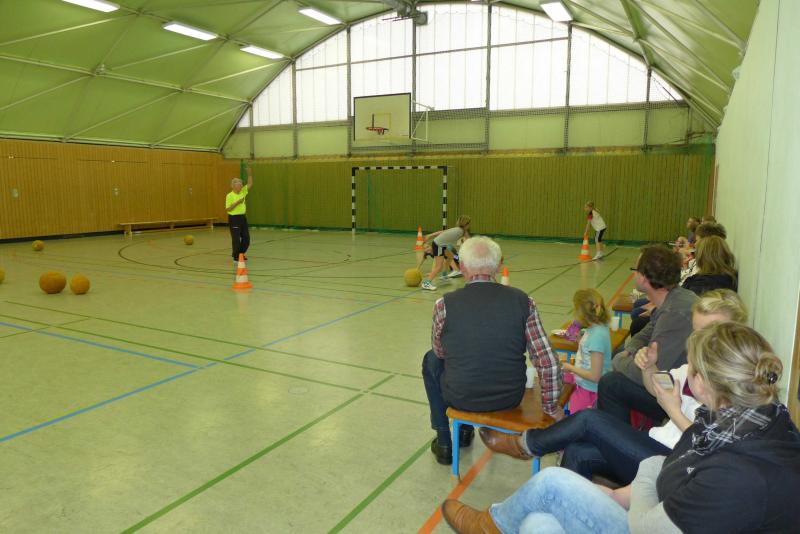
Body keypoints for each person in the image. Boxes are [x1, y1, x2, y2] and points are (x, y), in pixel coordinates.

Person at [442, 321, 800, 534]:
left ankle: (490, 525)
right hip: (663, 511)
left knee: (551, 484)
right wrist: (623, 493)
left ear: (703, 383)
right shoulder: (745, 420)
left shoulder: (739, 473)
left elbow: (646, 524)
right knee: (537, 524)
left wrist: (636, 484)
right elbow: (674, 465)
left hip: (652, 524)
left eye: (691, 367)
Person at [477, 290, 747, 486]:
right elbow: (659, 389)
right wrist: (650, 367)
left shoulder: (736, 384)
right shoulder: (694, 365)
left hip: (673, 464)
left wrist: (674, 411)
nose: (697, 339)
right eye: (696, 330)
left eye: (708, 331)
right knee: (577, 452)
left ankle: (526, 444)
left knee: (589, 420)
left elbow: (712, 449)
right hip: (659, 444)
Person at [421, 236, 563, 465]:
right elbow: (548, 363)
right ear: (498, 266)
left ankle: (445, 440)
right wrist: (550, 407)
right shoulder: (524, 301)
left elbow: (440, 352)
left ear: (463, 267)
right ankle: (463, 431)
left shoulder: (443, 305)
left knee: (431, 360)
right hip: (509, 397)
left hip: (460, 396)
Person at [597, 246, 697, 425]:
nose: (634, 274)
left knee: (611, 383)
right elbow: (647, 331)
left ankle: (617, 438)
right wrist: (631, 350)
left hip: (682, 399)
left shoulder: (675, 314)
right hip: (675, 379)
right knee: (622, 356)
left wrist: (619, 360)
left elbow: (652, 376)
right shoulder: (676, 297)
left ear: (644, 278)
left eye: (636, 270)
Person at [561, 289, 612, 413]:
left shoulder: (597, 336)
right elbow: (592, 352)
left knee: (578, 419)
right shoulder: (596, 327)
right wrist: (580, 341)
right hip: (585, 385)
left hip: (590, 392)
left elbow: (595, 376)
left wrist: (570, 367)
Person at [421, 215, 471, 291]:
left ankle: (444, 275)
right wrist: (430, 236)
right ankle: (426, 283)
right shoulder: (459, 230)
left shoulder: (461, 230)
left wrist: (430, 236)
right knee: (438, 266)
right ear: (466, 224)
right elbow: (469, 241)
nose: (470, 225)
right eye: (469, 223)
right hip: (438, 245)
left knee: (451, 256)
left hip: (442, 244)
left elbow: (468, 240)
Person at [225, 165, 253, 263]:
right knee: (236, 239)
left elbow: (250, 184)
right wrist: (237, 203)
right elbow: (228, 209)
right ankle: (236, 256)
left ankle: (241, 253)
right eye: (239, 184)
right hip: (234, 219)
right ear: (233, 185)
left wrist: (249, 174)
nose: (241, 186)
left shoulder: (243, 192)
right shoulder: (230, 196)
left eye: (241, 184)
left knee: (246, 238)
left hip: (242, 218)